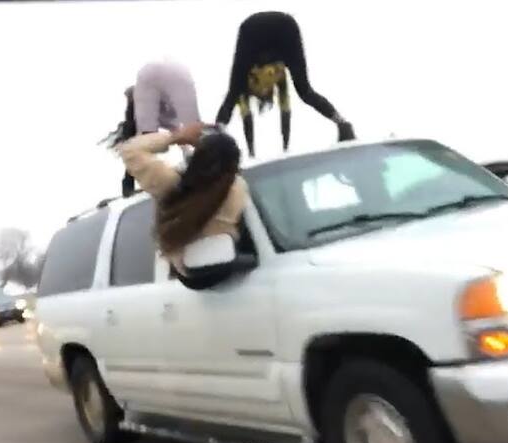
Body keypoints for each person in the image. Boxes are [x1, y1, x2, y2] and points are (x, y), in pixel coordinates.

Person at [215, 11, 355, 157]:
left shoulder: (243, 83)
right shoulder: (277, 75)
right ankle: (342, 123)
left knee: (233, 93)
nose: (264, 92)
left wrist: (254, 153)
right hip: (284, 26)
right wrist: (283, 150)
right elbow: (282, 112)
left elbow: (244, 112)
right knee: (305, 91)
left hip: (254, 31)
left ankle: (215, 135)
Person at [116, 122, 247, 276]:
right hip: (213, 274)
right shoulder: (236, 190)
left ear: (197, 157)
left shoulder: (170, 186)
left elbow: (130, 150)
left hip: (183, 273)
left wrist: (177, 137)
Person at [103, 59, 201, 197]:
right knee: (142, 144)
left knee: (175, 137)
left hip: (152, 115)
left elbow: (177, 128)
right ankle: (128, 188)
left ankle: (193, 159)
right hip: (140, 122)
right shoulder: (142, 109)